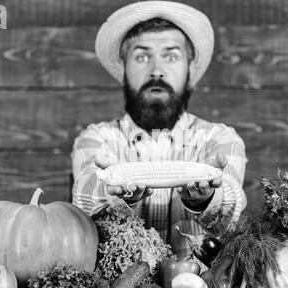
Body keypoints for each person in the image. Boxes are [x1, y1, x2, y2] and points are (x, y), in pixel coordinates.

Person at [71, 1, 248, 258]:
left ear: (189, 69)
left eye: (171, 56)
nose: (156, 71)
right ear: (124, 70)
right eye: (142, 57)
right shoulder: (96, 139)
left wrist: (206, 198)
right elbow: (82, 200)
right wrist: (112, 191)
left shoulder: (221, 139)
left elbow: (230, 211)